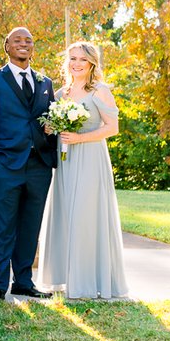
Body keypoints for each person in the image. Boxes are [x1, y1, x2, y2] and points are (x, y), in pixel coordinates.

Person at [37, 42, 128, 299]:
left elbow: (112, 128)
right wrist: (50, 128)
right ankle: (67, 278)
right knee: (67, 213)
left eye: (82, 60)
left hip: (89, 158)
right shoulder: (60, 93)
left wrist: (80, 139)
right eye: (72, 59)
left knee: (85, 215)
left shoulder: (99, 90)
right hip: (65, 160)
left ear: (92, 64)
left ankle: (88, 280)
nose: (76, 64)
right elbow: (53, 125)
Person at [0, 27, 57, 302]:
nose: (23, 44)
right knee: (3, 226)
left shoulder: (45, 82)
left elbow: (51, 119)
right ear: (7, 47)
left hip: (39, 165)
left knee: (30, 226)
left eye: (29, 41)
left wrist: (52, 134)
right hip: (5, 165)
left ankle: (23, 281)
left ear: (33, 48)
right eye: (17, 41)